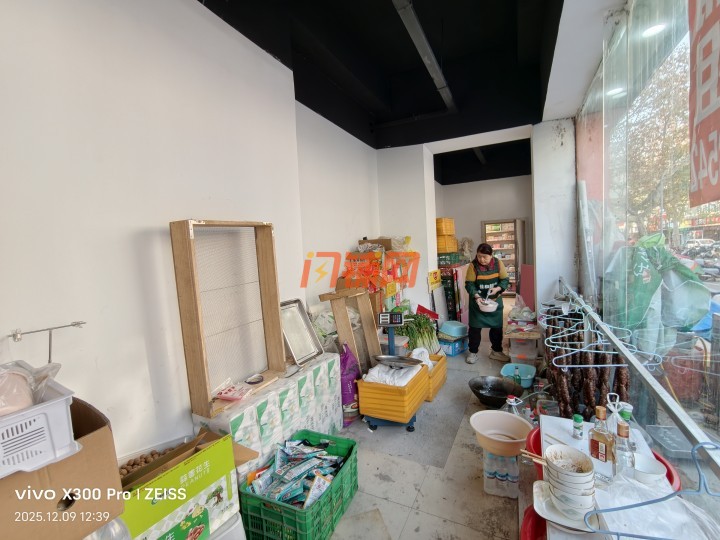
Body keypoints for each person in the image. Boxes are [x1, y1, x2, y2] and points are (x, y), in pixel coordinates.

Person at [464, 243, 511, 364]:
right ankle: (473, 352)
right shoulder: (473, 266)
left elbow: (505, 280)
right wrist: (476, 296)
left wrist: (498, 288)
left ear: (491, 255)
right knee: (475, 328)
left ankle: (496, 351)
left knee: (497, 327)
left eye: (485, 257)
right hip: (478, 302)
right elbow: (469, 284)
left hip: (494, 302)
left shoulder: (498, 264)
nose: (481, 259)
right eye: (479, 256)